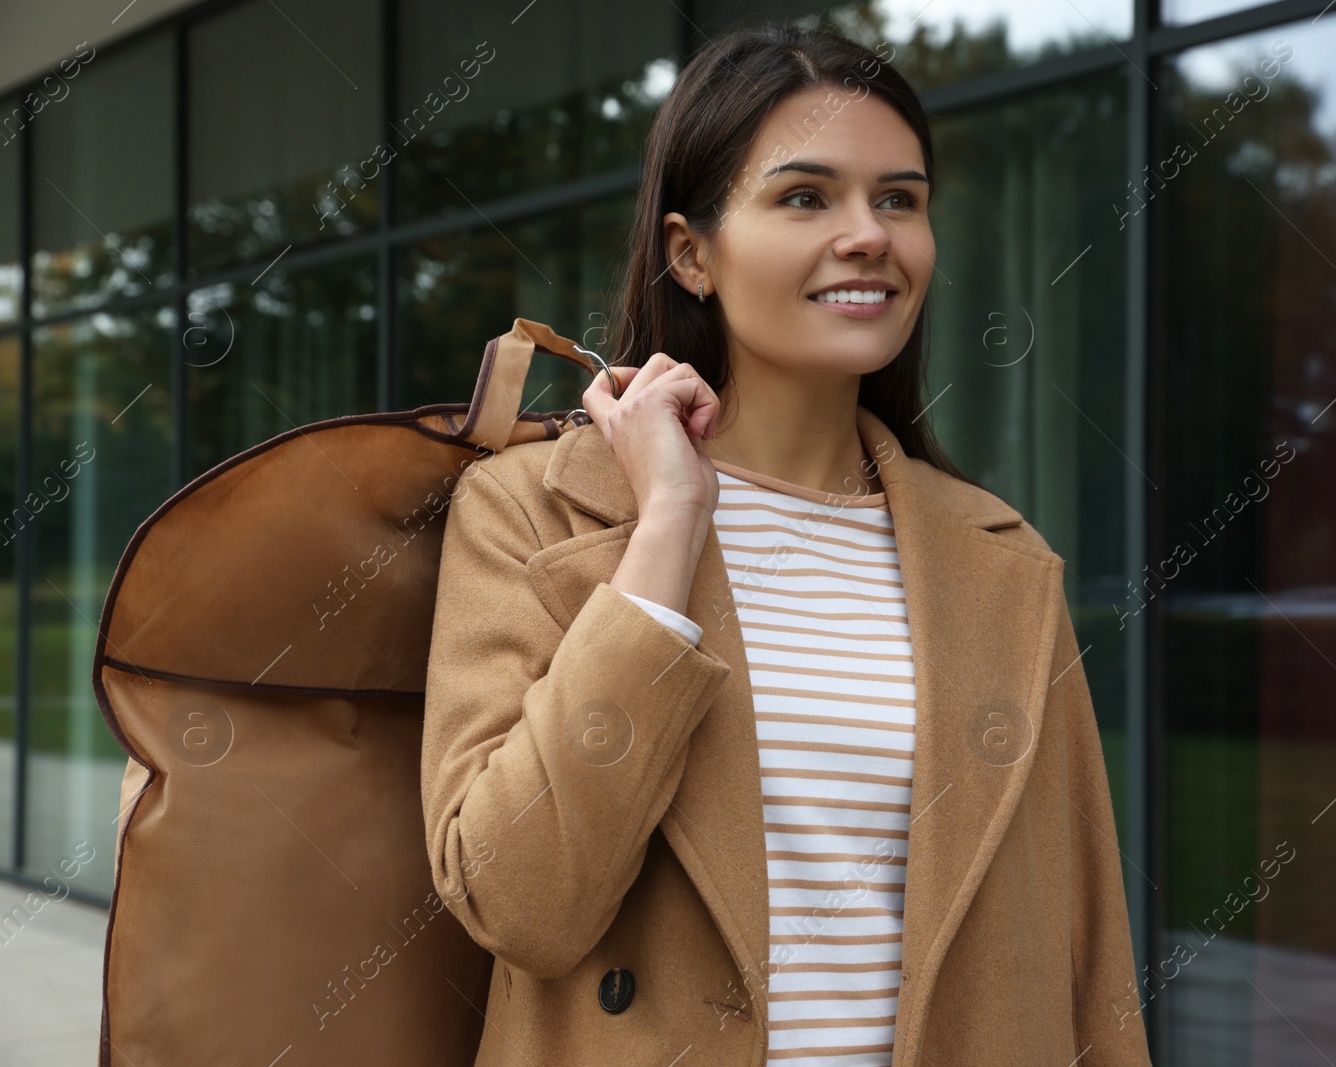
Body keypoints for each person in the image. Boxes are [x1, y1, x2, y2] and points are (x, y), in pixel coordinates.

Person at [421, 20, 1152, 1067]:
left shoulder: (1002, 559)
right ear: (691, 252)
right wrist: (668, 525)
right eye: (805, 196)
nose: (869, 234)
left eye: (898, 198)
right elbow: (519, 898)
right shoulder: (530, 513)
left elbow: (1088, 959)